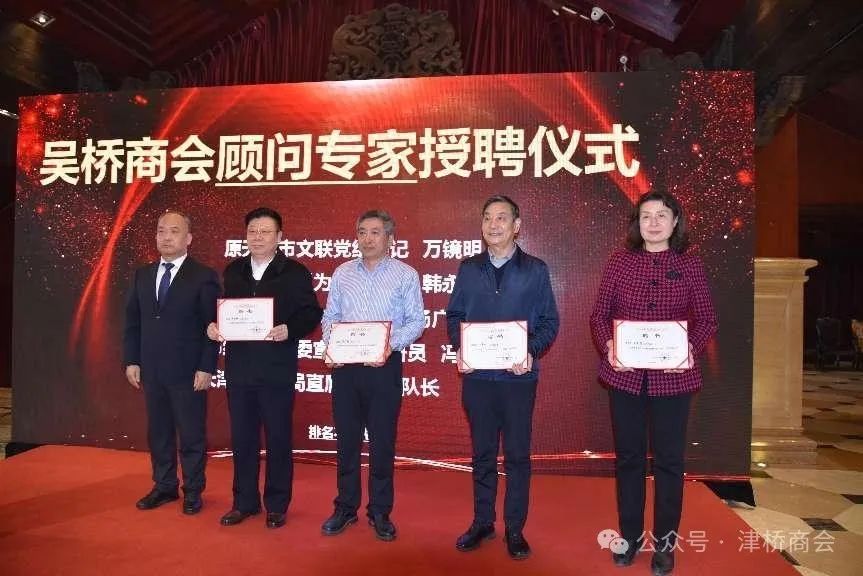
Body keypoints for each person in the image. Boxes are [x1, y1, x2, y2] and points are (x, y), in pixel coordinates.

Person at [589, 191, 717, 576]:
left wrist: (689, 350)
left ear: (675, 221)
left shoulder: (689, 263)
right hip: (625, 377)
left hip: (673, 380)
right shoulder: (620, 261)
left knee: (669, 462)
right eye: (646, 216)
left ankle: (665, 545)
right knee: (629, 459)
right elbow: (598, 316)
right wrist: (610, 346)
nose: (654, 223)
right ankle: (629, 538)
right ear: (637, 223)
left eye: (662, 215)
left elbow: (707, 319)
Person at [445, 195, 559, 560]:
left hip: (518, 380)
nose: (493, 225)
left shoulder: (535, 269)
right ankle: (482, 522)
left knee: (517, 456)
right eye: (488, 218)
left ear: (516, 225)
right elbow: (454, 316)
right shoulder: (468, 268)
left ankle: (514, 528)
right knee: (482, 454)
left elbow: (549, 322)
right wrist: (461, 347)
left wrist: (530, 351)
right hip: (478, 379)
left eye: (501, 218)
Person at [207, 207, 322, 529]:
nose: (257, 238)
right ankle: (244, 502)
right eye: (252, 232)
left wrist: (290, 329)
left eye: (265, 232)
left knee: (278, 438)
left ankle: (276, 504)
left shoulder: (294, 272)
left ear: (279, 237)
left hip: (276, 370)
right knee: (242, 438)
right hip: (239, 369)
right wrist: (214, 326)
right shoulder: (234, 271)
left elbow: (311, 313)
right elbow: (222, 312)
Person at [320, 210, 424, 542]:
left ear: (390, 239)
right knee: (347, 441)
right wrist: (333, 346)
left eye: (375, 232)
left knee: (382, 442)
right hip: (346, 369)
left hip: (384, 367)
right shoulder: (342, 273)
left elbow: (416, 321)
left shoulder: (405, 275)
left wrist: (387, 345)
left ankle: (380, 511)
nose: (367, 238)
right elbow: (330, 316)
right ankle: (345, 507)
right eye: (362, 232)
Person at [123, 210, 220, 516]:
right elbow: (133, 322)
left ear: (188, 238)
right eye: (161, 231)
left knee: (191, 434)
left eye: (174, 231)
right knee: (159, 433)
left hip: (188, 371)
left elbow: (212, 326)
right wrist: (132, 360)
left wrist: (206, 367)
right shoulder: (143, 274)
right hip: (151, 370)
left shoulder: (203, 276)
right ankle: (164, 486)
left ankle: (193, 490)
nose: (166, 237)